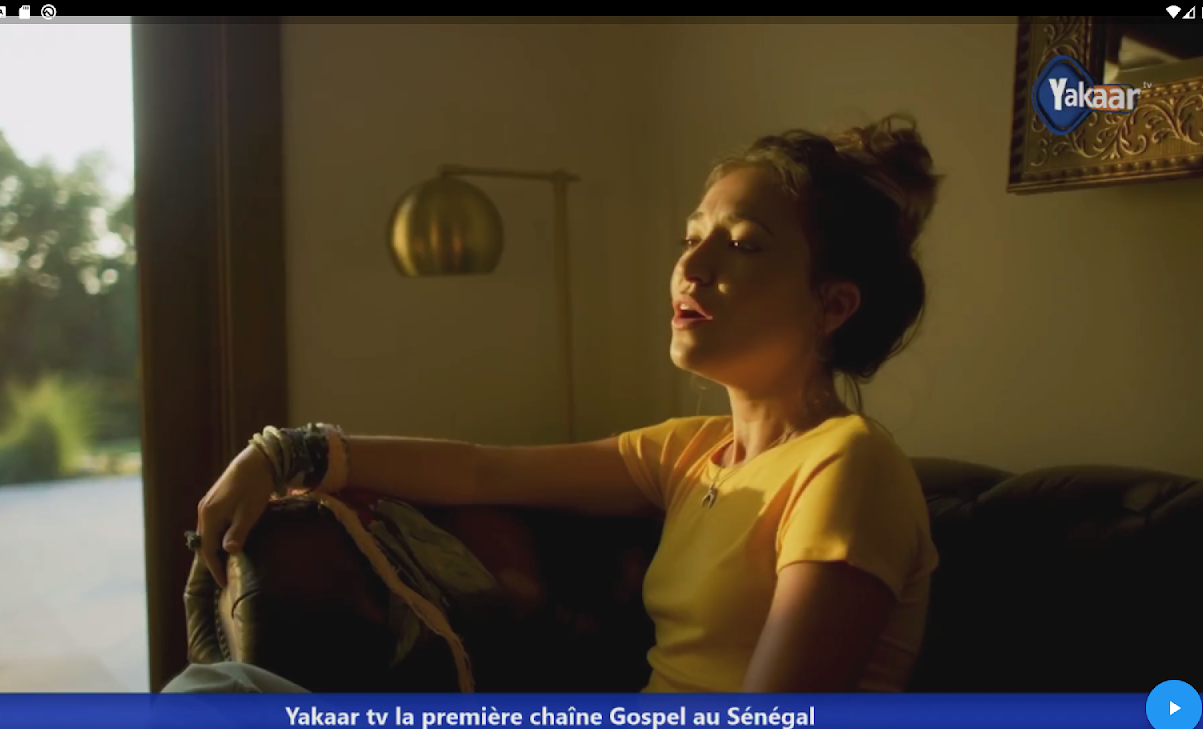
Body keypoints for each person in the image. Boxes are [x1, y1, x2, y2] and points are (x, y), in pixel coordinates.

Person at [179, 113, 941, 695]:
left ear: (833, 305)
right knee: (228, 693)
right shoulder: (692, 453)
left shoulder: (848, 465)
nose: (692, 266)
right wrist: (289, 451)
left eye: (741, 244)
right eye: (692, 237)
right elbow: (483, 473)